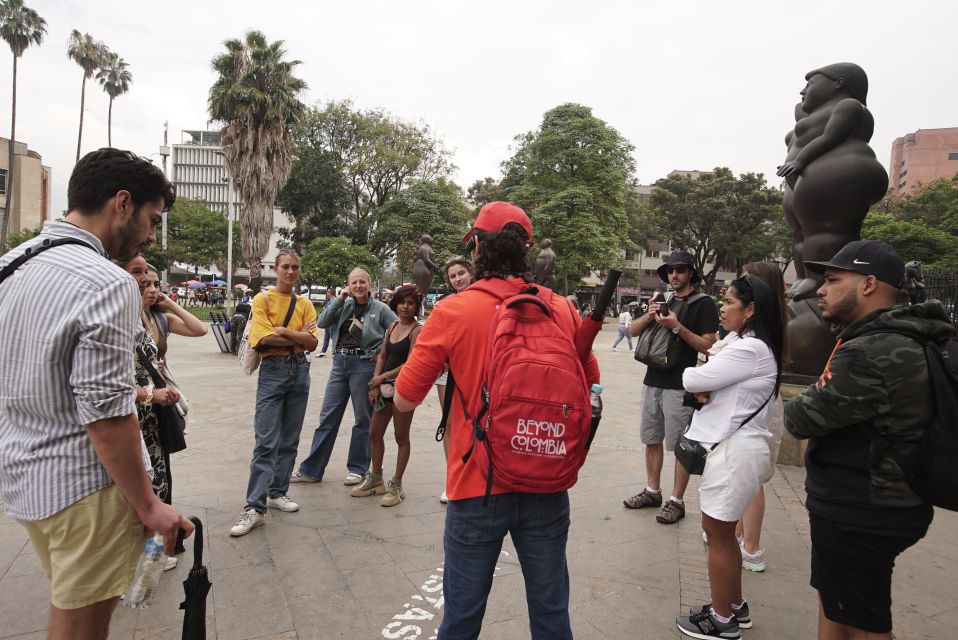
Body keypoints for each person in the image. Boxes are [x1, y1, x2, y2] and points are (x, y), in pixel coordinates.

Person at [0, 148, 193, 638]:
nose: (151, 236)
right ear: (122, 203)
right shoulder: (108, 283)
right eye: (151, 220)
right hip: (86, 489)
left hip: (26, 481)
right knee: (80, 627)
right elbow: (107, 414)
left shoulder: (11, 265)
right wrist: (150, 505)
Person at [394, 201, 600, 639]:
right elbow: (591, 383)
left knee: (462, 619)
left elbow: (407, 398)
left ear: (476, 251)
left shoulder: (454, 311)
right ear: (527, 251)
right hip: (546, 476)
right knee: (550, 615)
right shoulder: (561, 308)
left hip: (476, 481)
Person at [784, 240, 952, 640]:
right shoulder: (906, 335)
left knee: (863, 624)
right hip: (877, 501)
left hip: (863, 507)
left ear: (869, 284)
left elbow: (799, 416)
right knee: (838, 606)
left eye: (832, 279)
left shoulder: (872, 349)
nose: (821, 290)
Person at [674, 275, 785, 639]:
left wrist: (701, 376)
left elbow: (692, 378)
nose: (723, 307)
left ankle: (721, 621)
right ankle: (734, 605)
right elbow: (711, 368)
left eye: (730, 302)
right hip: (738, 450)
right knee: (724, 535)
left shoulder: (749, 349)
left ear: (750, 310)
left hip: (734, 452)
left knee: (717, 536)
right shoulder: (748, 344)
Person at [624, 251, 720, 524]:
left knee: (681, 444)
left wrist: (677, 327)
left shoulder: (704, 304)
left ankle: (676, 501)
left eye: (680, 270)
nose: (674, 275)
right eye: (670, 271)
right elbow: (633, 331)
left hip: (681, 384)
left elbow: (709, 345)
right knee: (651, 438)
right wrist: (651, 314)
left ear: (691, 272)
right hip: (652, 380)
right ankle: (652, 491)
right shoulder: (663, 298)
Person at [230, 251, 318, 537]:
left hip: (300, 371)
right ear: (276, 269)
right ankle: (254, 506)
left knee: (290, 439)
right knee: (266, 442)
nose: (290, 272)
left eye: (295, 267)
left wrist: (284, 331)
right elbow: (263, 338)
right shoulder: (262, 300)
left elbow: (313, 342)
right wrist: (297, 335)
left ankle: (278, 492)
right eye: (285, 267)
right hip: (273, 370)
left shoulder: (305, 303)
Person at [292, 268, 397, 486]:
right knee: (328, 417)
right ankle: (312, 469)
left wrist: (382, 355)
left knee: (363, 419)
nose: (358, 286)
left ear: (369, 284)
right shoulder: (344, 304)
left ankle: (358, 468)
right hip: (340, 364)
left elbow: (398, 329)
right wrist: (338, 301)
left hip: (364, 366)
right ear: (348, 285)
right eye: (354, 282)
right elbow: (322, 323)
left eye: (362, 282)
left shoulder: (380, 308)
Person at [732, 261, 788, 572]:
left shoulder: (766, 323)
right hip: (757, 400)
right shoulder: (771, 319)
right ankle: (739, 535)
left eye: (748, 280)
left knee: (752, 478)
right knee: (745, 475)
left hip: (761, 403)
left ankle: (750, 548)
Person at [352, 285, 423, 507]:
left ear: (416, 306)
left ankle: (397, 484)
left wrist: (382, 378)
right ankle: (375, 479)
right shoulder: (392, 325)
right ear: (396, 304)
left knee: (401, 437)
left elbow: (410, 362)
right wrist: (376, 381)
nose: (405, 307)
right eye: (402, 302)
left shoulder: (417, 330)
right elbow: (382, 355)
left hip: (403, 389)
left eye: (411, 303)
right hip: (383, 390)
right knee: (374, 433)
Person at [433, 255, 475, 503]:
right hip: (447, 374)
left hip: (474, 370)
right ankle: (452, 478)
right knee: (448, 425)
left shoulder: (483, 300)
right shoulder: (444, 304)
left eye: (461, 273)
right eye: (453, 276)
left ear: (470, 272)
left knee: (474, 423)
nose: (458, 279)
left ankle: (473, 476)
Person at [314, 286, 336, 358]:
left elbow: (330, 311)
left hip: (331, 322)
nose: (326, 293)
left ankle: (334, 352)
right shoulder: (329, 301)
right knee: (326, 337)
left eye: (327, 292)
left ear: (330, 293)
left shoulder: (333, 301)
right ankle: (323, 351)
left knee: (333, 337)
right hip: (327, 322)